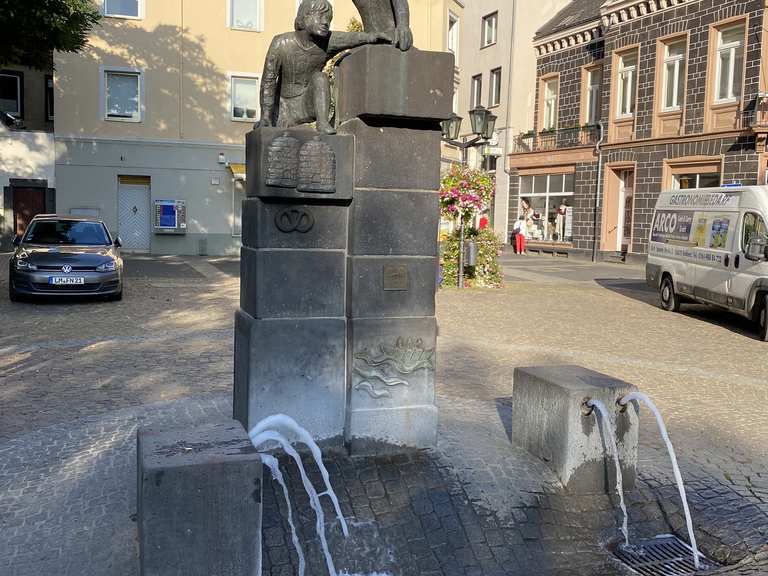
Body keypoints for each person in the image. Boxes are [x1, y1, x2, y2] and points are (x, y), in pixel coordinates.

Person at [258, 0, 390, 134]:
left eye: (328, 18)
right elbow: (268, 83)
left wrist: (374, 36)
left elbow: (352, 38)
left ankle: (322, 123)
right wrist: (266, 117)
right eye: (320, 16)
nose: (325, 22)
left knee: (320, 77)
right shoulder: (281, 43)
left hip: (306, 104)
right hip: (282, 108)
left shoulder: (327, 42)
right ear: (304, 17)